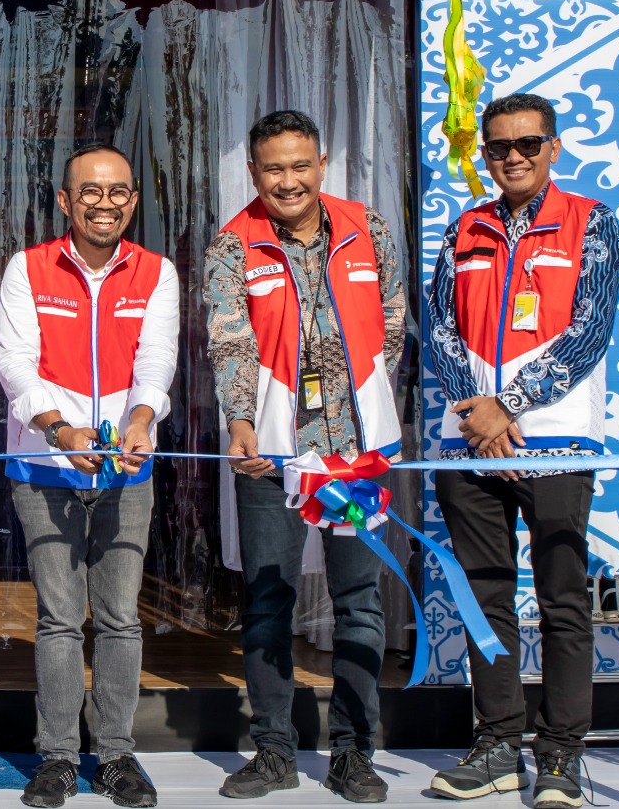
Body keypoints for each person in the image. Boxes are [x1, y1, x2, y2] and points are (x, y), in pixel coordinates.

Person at [425, 92, 619, 809]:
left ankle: (561, 754)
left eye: (528, 144)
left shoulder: (591, 221)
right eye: (499, 147)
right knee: (486, 597)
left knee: (563, 599)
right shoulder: (464, 227)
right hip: (468, 441)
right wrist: (478, 413)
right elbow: (439, 326)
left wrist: (507, 405)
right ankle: (498, 745)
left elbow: (589, 328)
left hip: (557, 434)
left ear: (553, 148)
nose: (513, 157)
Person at [203, 110, 405, 804]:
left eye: (300, 166)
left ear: (321, 165)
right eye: (273, 169)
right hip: (273, 451)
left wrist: (366, 403)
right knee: (268, 605)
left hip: (356, 456)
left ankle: (354, 753)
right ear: (253, 173)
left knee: (359, 605)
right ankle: (274, 752)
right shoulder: (233, 243)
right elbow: (229, 341)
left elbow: (393, 318)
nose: (288, 181)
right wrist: (240, 421)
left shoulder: (366, 227)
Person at [0, 142, 179, 809]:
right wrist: (58, 432)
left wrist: (141, 420)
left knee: (122, 619)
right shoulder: (28, 268)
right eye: (91, 192)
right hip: (45, 468)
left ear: (134, 199)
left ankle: (118, 756)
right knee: (61, 619)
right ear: (66, 201)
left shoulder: (156, 272)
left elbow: (156, 360)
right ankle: (59, 758)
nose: (106, 204)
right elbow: (16, 366)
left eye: (118, 191)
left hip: (127, 469)